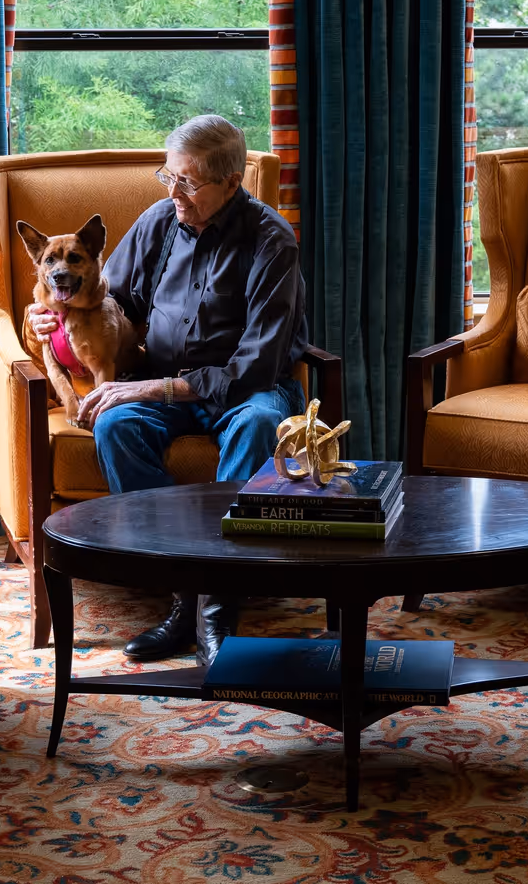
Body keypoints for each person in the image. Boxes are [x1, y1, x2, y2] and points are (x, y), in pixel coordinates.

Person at [25, 114, 308, 666]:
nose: (174, 192)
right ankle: (184, 594)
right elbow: (112, 303)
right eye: (169, 177)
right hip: (158, 386)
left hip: (244, 390)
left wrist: (163, 388)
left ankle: (215, 610)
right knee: (114, 425)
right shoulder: (159, 222)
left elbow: (257, 362)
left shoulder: (273, 240)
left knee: (256, 424)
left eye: (189, 182)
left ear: (232, 182)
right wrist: (49, 318)